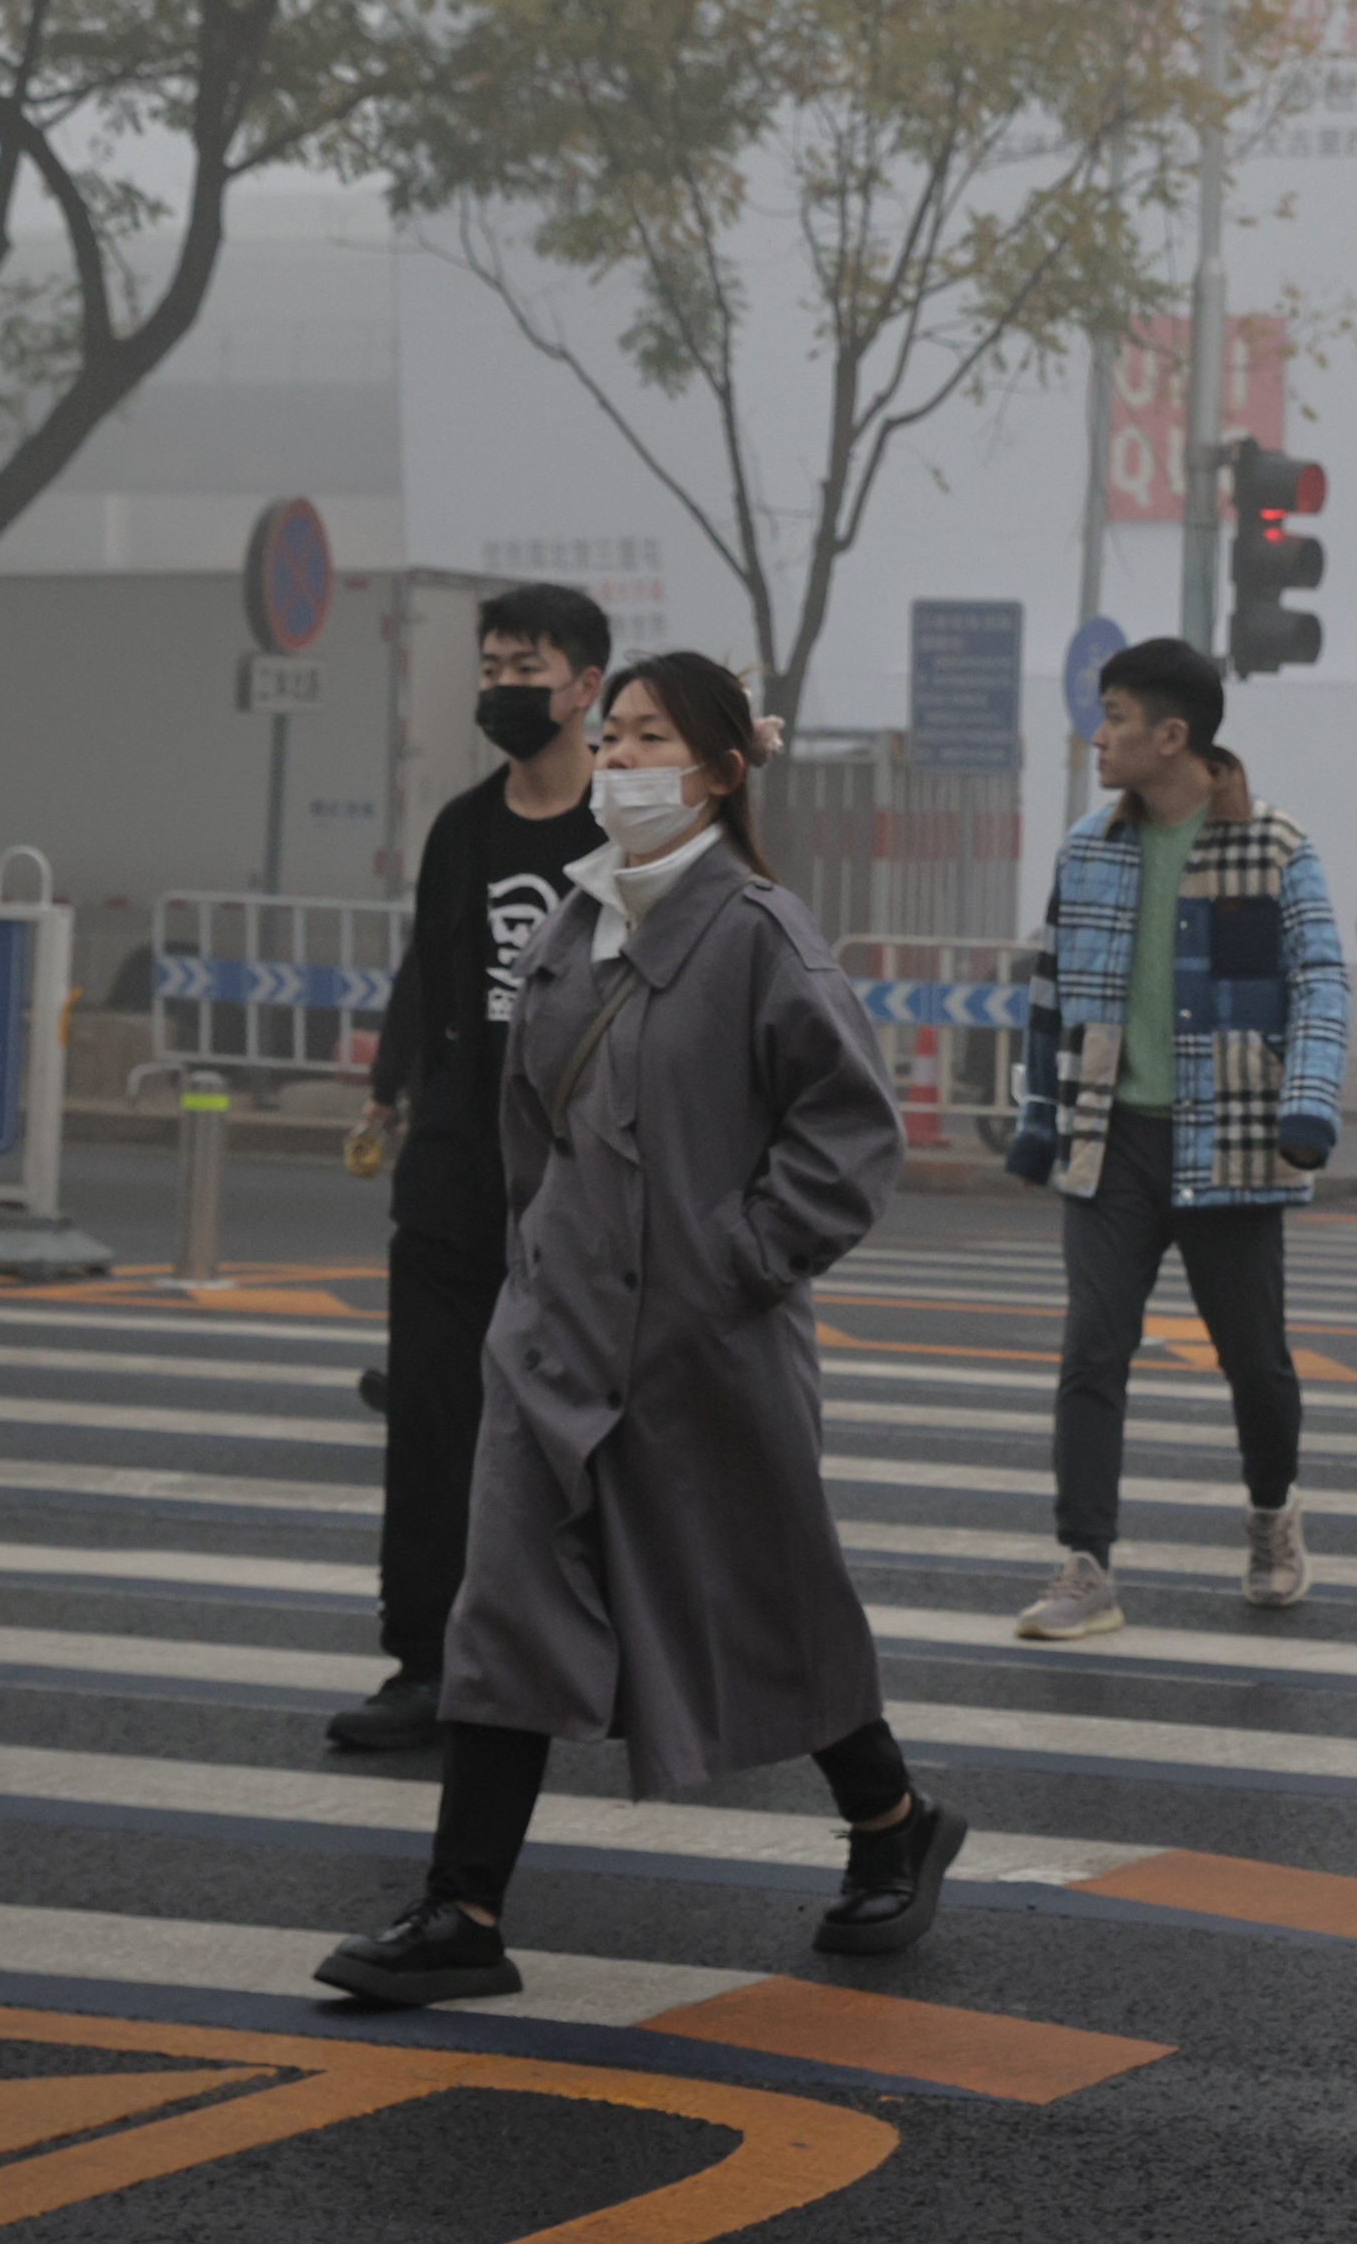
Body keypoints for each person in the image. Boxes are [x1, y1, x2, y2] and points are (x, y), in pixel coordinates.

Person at [315, 652, 949, 2007]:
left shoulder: (759, 934)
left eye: (650, 737)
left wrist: (732, 1263)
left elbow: (853, 1135)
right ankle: (463, 1910)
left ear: (721, 770)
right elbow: (529, 1134)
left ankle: (893, 1822)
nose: (619, 761)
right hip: (555, 1343)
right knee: (507, 1614)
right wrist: (537, 1275)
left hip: (706, 1350)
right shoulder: (574, 924)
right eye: (610, 738)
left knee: (762, 1601)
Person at [1002, 637, 1350, 1639]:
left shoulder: (1274, 847)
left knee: (1256, 1362)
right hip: (1111, 1142)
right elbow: (1050, 993)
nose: (1098, 735)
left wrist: (1309, 1108)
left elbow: (1323, 983)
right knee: (1090, 1353)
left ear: (1173, 735)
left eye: (1114, 718)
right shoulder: (1089, 847)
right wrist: (1038, 1125)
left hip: (1234, 1144)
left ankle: (1273, 1513)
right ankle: (1086, 1567)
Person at [327, 583, 616, 1755]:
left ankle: (629, 1654)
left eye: (527, 665)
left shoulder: (624, 834)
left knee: (601, 1438)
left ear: (587, 684)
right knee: (436, 1427)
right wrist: (393, 1089)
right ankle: (425, 1664)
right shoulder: (460, 827)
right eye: (490, 664)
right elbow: (427, 972)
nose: (503, 684)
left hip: (591, 1187)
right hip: (456, 1178)